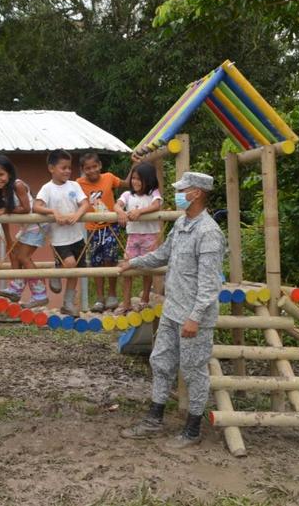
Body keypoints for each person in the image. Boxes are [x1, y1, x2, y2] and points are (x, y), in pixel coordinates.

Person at [117, 171, 225, 448]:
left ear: (196, 193)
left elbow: (210, 283)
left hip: (193, 317)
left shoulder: (209, 232)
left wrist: (195, 318)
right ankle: (155, 417)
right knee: (161, 362)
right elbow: (163, 254)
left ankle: (192, 429)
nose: (178, 194)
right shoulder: (181, 224)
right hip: (172, 309)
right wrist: (134, 263)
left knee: (193, 370)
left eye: (182, 190)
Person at [0, 155, 49, 308]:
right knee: (14, 255)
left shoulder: (18, 185)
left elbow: (26, 208)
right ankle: (16, 289)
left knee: (23, 256)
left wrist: (3, 210)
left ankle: (40, 295)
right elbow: (5, 218)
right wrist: (8, 240)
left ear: (9, 173)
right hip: (26, 226)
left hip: (37, 223)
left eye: (1, 174)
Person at [33, 149, 89, 316]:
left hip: (77, 235)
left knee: (76, 269)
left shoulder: (75, 185)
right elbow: (36, 206)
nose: (67, 171)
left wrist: (77, 214)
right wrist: (53, 213)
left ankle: (68, 302)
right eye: (63, 168)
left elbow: (85, 203)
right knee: (69, 263)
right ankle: (57, 270)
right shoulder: (47, 188)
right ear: (51, 168)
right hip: (59, 238)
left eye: (69, 168)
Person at [76, 152, 129, 312]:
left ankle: (112, 294)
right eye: (87, 168)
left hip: (110, 226)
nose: (92, 171)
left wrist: (135, 165)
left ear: (100, 165)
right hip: (92, 228)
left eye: (94, 167)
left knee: (110, 259)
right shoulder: (78, 183)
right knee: (96, 261)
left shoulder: (109, 177)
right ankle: (100, 298)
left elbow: (127, 183)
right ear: (83, 170)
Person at [114, 162, 162, 314]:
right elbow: (117, 205)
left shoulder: (153, 193)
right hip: (133, 236)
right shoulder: (128, 195)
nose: (135, 181)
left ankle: (145, 299)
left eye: (139, 179)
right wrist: (121, 212)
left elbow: (156, 205)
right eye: (133, 178)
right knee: (128, 266)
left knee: (147, 267)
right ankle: (126, 302)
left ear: (148, 180)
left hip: (150, 236)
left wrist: (140, 212)